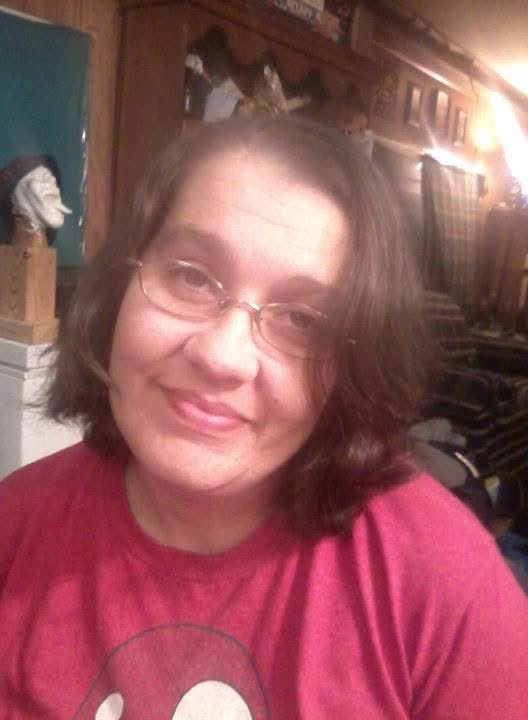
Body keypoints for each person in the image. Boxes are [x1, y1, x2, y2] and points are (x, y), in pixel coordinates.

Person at [0, 116, 526, 718]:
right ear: (121, 282)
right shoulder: (16, 523)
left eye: (302, 320)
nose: (221, 356)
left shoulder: (447, 588)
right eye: (192, 277)